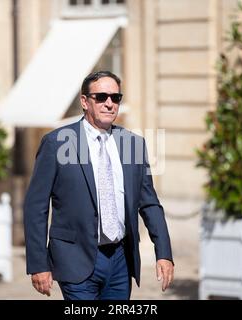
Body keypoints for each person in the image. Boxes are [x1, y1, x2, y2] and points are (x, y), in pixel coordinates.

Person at [23, 70, 174, 300]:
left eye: (115, 98)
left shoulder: (132, 144)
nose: (109, 103)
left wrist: (164, 253)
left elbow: (150, 203)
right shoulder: (57, 143)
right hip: (75, 260)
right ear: (85, 101)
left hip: (120, 262)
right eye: (101, 97)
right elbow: (36, 207)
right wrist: (38, 263)